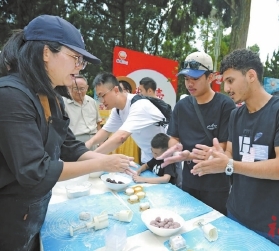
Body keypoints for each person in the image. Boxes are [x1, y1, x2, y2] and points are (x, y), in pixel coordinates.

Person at [0, 15, 133, 250]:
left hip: (35, 212)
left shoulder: (53, 99)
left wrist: (110, 160)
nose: (79, 67)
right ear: (45, 53)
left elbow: (70, 147)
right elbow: (35, 171)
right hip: (8, 219)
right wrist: (102, 164)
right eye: (76, 58)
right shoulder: (11, 96)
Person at [190, 49, 279, 249]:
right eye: (224, 82)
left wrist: (229, 164)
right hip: (235, 211)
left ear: (251, 75)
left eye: (230, 81)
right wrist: (217, 156)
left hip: (269, 222)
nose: (226, 88)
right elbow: (232, 155)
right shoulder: (236, 115)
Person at [158, 51, 236, 215]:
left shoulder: (225, 105)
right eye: (186, 79)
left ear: (211, 77)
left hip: (216, 182)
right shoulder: (182, 106)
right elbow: (173, 137)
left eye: (195, 78)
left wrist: (192, 155)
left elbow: (223, 145)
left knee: (214, 225)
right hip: (189, 178)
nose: (190, 84)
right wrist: (177, 149)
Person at [85, 72, 166, 164]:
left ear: (116, 90)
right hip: (149, 158)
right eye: (98, 97)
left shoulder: (139, 105)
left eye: (102, 95)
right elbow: (105, 131)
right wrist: (87, 145)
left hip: (167, 158)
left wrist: (90, 158)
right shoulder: (117, 110)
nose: (101, 101)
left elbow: (120, 137)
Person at [63, 75, 102, 148]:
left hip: (94, 140)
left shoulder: (92, 101)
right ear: (69, 88)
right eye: (75, 88)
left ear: (87, 88)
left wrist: (101, 142)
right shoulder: (63, 103)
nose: (79, 92)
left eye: (82, 88)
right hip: (74, 142)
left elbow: (98, 124)